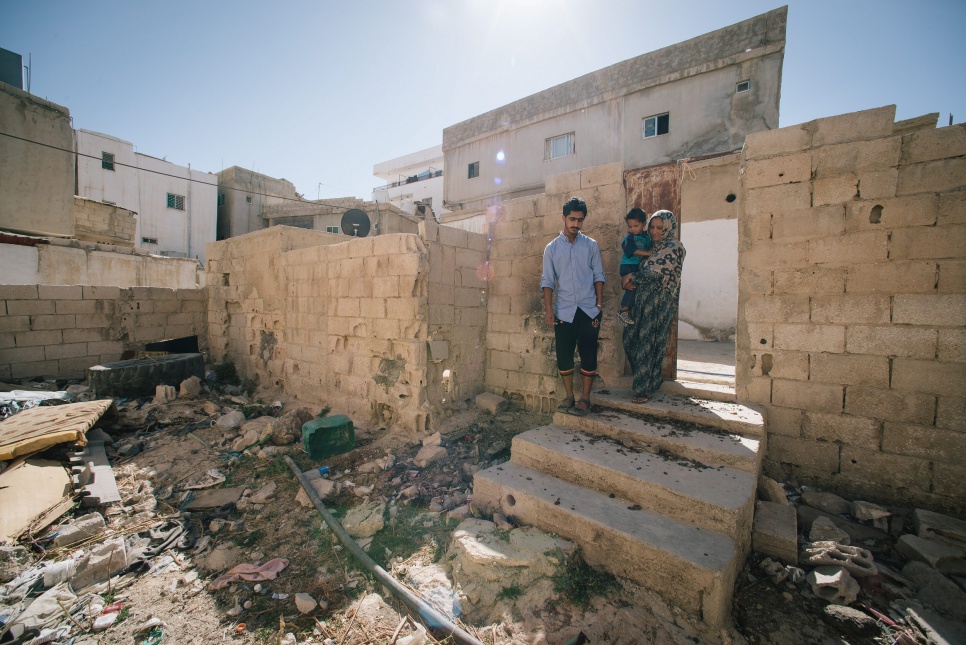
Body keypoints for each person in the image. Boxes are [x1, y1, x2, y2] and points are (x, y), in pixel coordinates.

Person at [540, 196, 606, 417]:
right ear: (563, 218)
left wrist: (598, 304)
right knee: (564, 355)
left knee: (588, 353)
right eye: (572, 219)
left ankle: (585, 398)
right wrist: (549, 310)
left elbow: (599, 275)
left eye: (580, 220)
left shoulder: (591, 246)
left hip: (588, 310)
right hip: (564, 311)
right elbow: (547, 281)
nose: (576, 224)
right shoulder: (551, 249)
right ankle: (569, 396)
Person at [621, 210, 686, 403]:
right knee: (630, 339)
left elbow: (656, 273)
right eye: (652, 227)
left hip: (658, 304)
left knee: (650, 344)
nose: (655, 231)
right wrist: (627, 280)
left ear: (668, 228)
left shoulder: (674, 247)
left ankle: (644, 389)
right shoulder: (650, 246)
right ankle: (650, 380)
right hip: (640, 302)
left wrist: (632, 277)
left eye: (660, 228)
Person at [617, 208, 652, 325]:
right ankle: (624, 309)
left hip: (635, 266)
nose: (632, 229)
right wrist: (647, 254)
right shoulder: (630, 238)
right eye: (630, 226)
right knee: (633, 286)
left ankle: (628, 310)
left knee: (634, 286)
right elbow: (632, 250)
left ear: (644, 224)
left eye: (636, 226)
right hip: (628, 266)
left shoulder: (647, 236)